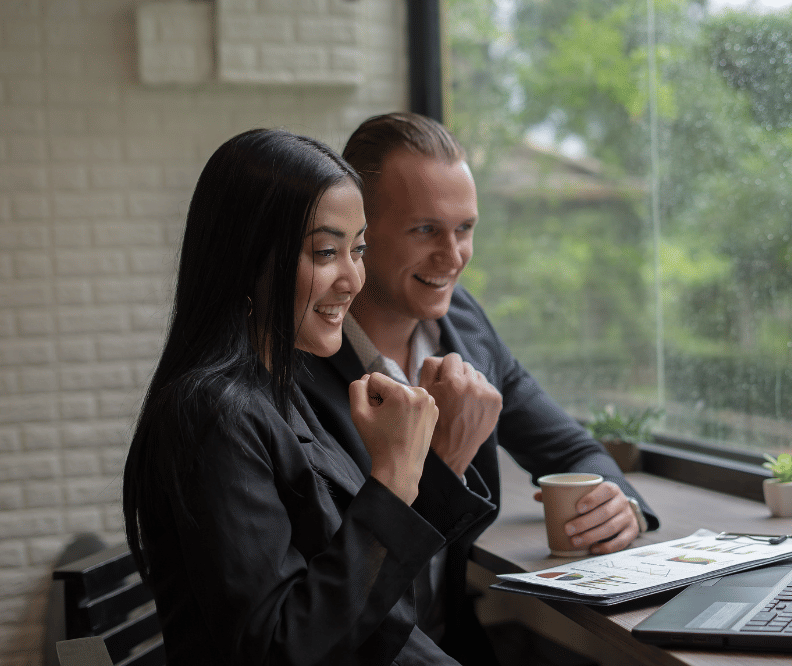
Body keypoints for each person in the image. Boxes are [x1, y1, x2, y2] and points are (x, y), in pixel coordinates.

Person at [122, 128, 494, 666]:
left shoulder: (275, 389)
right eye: (326, 252)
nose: (352, 279)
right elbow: (281, 649)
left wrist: (419, 468)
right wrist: (394, 477)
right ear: (247, 259)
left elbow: (361, 590)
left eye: (358, 249)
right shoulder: (214, 415)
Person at [298, 112, 660, 665]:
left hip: (457, 641)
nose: (453, 256)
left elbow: (570, 449)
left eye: (464, 228)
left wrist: (619, 503)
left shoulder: (462, 323)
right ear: (360, 236)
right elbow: (336, 602)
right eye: (424, 230)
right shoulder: (302, 363)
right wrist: (443, 463)